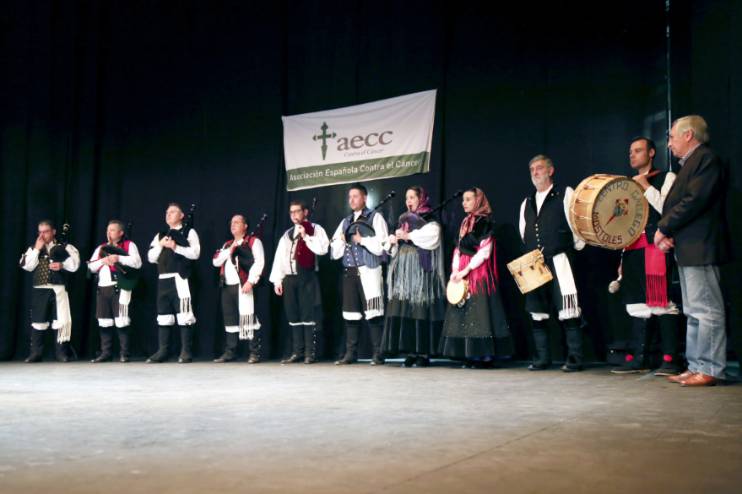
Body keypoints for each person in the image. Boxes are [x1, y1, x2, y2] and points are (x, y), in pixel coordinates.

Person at [655, 115, 729, 387]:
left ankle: (710, 368)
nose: (669, 144)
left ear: (688, 135)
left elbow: (694, 201)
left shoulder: (706, 159)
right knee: (693, 310)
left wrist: (664, 228)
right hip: (689, 247)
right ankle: (696, 365)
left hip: (701, 247)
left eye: (672, 137)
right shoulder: (691, 163)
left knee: (706, 310)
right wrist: (669, 233)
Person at [610, 137, 681, 376]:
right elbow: (624, 223)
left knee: (661, 302)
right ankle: (640, 358)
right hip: (632, 249)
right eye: (630, 151)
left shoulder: (667, 177)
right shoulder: (626, 186)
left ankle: (670, 359)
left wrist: (646, 186)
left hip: (655, 247)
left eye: (638, 150)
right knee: (637, 304)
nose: (632, 155)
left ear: (651, 153)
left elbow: (668, 210)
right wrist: (622, 257)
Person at [518, 155, 586, 372]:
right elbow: (523, 232)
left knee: (568, 307)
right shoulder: (527, 202)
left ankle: (574, 358)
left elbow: (577, 224)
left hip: (559, 258)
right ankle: (541, 358)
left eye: (539, 168)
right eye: (532, 170)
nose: (535, 173)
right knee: (537, 311)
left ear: (550, 170)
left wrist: (572, 248)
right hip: (534, 262)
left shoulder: (565, 193)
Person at [439, 187, 511, 368]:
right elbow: (458, 248)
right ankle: (469, 354)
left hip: (478, 270)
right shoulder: (464, 222)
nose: (464, 203)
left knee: (480, 312)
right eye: (463, 200)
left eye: (468, 199)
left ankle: (484, 356)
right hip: (463, 268)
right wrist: (455, 270)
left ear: (478, 200)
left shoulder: (485, 222)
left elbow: (485, 251)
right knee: (464, 311)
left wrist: (466, 270)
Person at [381, 186, 446, 367]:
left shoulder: (429, 219)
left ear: (421, 198)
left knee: (420, 308)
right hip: (404, 270)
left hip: (421, 271)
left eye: (412, 197)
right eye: (406, 198)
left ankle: (423, 353)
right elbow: (393, 246)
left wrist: (408, 235)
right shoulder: (403, 221)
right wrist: (393, 241)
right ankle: (410, 351)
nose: (408, 201)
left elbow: (432, 238)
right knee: (405, 308)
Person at [330, 183, 389, 365]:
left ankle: (378, 353)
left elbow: (382, 246)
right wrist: (341, 240)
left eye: (355, 196)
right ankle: (351, 353)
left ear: (364, 198)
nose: (352, 200)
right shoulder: (345, 221)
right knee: (351, 313)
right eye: (350, 197)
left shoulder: (375, 217)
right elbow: (334, 251)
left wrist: (361, 240)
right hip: (350, 272)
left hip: (369, 270)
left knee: (373, 313)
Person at [269, 201, 329, 364]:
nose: (294, 215)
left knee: (308, 314)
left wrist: (306, 237)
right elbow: (280, 258)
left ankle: (310, 352)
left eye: (297, 211)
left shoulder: (315, 229)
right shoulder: (287, 234)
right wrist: (277, 280)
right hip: (290, 279)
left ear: (305, 212)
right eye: (291, 212)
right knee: (293, 314)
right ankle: (297, 351)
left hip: (306, 276)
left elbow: (323, 249)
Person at [19, 220, 80, 362]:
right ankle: (36, 353)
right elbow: (26, 266)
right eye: (40, 232)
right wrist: (37, 249)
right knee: (38, 320)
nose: (42, 235)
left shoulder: (65, 246)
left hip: (58, 289)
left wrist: (62, 265)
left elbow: (75, 265)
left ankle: (61, 353)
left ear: (53, 232)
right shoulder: (33, 248)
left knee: (61, 320)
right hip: (40, 290)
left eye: (46, 232)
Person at [146, 203, 200, 363]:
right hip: (163, 279)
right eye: (167, 212)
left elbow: (195, 253)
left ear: (182, 215)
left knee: (184, 314)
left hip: (180, 278)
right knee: (164, 315)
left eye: (173, 212)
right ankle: (163, 351)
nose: (168, 214)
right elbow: (150, 257)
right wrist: (161, 245)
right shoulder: (160, 235)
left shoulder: (189, 232)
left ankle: (186, 351)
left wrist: (175, 247)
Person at [213, 214, 266, 363]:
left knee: (248, 317)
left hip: (244, 284)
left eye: (237, 222)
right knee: (230, 318)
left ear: (245, 226)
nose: (233, 224)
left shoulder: (253, 242)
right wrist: (230, 250)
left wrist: (250, 281)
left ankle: (254, 352)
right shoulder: (227, 244)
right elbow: (216, 262)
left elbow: (259, 263)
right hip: (227, 286)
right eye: (232, 222)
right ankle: (231, 351)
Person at [87, 220, 142, 363]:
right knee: (104, 320)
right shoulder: (101, 248)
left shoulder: (129, 245)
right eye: (108, 230)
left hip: (120, 287)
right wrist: (102, 261)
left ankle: (125, 353)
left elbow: (137, 263)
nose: (108, 232)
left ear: (120, 232)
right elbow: (91, 267)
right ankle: (106, 353)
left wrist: (119, 258)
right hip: (103, 288)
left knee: (121, 320)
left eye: (112, 230)